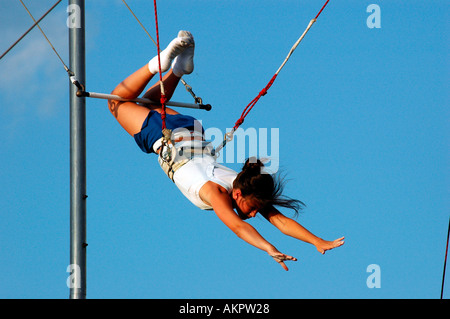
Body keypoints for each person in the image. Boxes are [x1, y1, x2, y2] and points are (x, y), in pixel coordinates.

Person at [108, 31, 344, 271]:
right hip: (168, 137)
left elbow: (280, 221)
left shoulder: (242, 182)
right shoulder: (218, 192)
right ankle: (157, 65)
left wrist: (317, 241)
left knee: (146, 103)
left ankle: (178, 70)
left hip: (190, 131)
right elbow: (238, 227)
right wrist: (268, 248)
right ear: (238, 195)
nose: (253, 215)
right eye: (252, 209)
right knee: (116, 102)